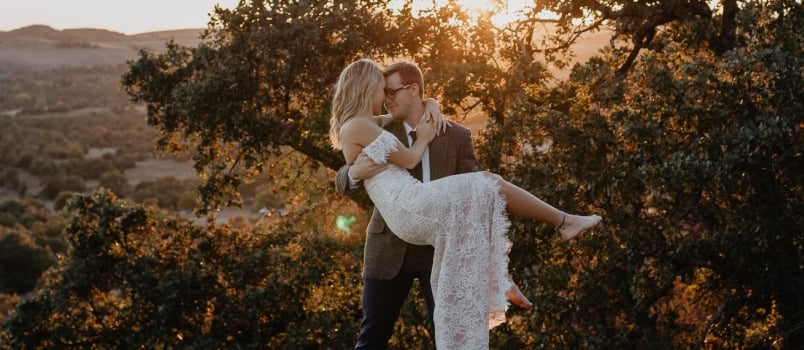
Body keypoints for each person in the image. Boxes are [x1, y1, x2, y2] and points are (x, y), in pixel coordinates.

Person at [331, 58, 602, 349]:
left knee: (447, 330)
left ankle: (546, 238)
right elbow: (346, 173)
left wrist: (431, 104)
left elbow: (475, 207)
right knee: (372, 336)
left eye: (392, 92)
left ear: (413, 90)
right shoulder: (381, 126)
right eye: (383, 91)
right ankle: (563, 221)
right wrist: (354, 173)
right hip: (390, 247)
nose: (386, 99)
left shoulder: (455, 135)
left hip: (442, 244)